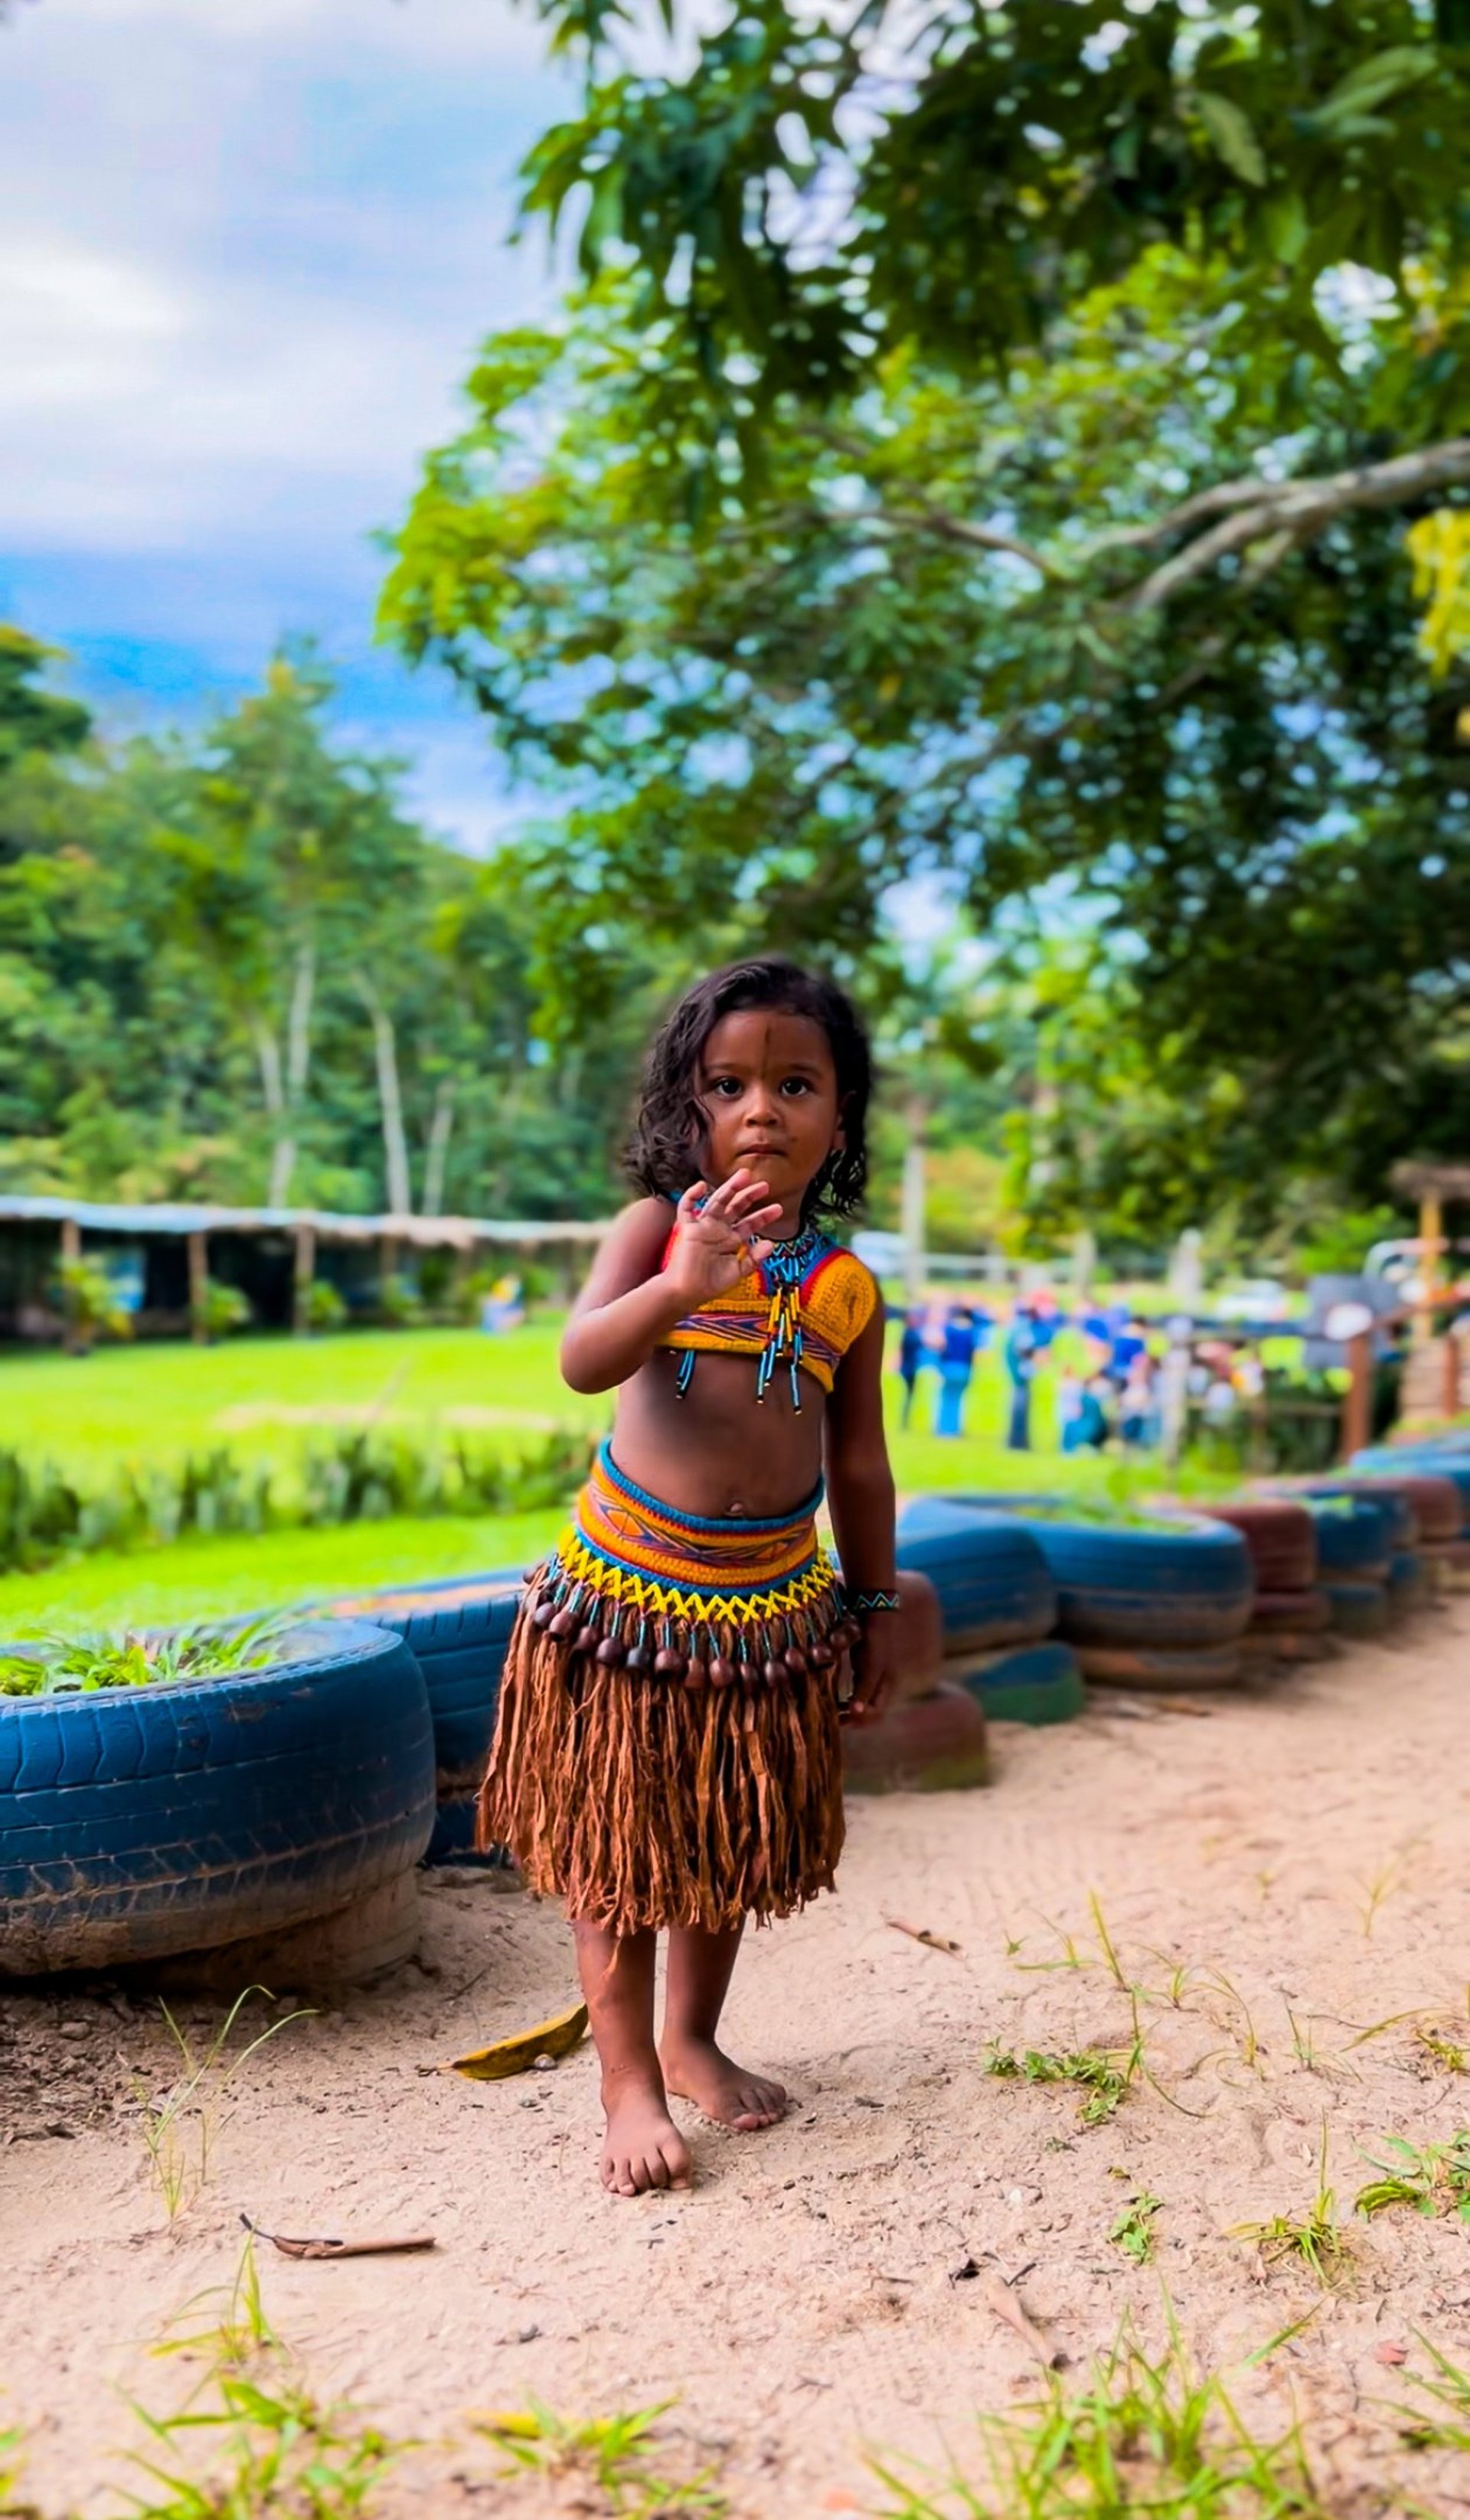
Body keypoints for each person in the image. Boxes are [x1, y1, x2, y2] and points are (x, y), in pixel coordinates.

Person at [478, 958, 900, 2198]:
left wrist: (875, 1604)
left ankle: (691, 2038)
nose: (762, 1108)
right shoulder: (653, 1231)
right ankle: (627, 2082)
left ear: (841, 1118)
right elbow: (580, 1359)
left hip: (766, 1612)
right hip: (627, 1604)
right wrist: (679, 1284)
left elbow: (861, 1463)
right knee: (620, 1849)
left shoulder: (845, 1289)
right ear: (687, 1105)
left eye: (796, 1084)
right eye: (729, 1084)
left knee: (721, 1838)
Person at [933, 1305, 977, 1437]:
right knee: (957, 1400)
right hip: (964, 1368)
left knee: (946, 1398)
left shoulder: (949, 1329)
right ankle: (953, 1429)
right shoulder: (972, 1331)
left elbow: (941, 1346)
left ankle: (943, 1428)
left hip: (948, 1366)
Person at [1003, 1300, 1037, 1450]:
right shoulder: (1023, 1329)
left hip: (1017, 1373)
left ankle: (1016, 1441)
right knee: (1020, 1407)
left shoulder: (1015, 1328)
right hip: (1021, 1375)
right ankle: (1018, 1442)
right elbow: (1025, 1350)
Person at [897, 1306, 928, 1428]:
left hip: (907, 1366)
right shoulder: (912, 1334)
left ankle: (905, 1419)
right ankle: (905, 1419)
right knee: (909, 1394)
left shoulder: (907, 1333)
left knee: (908, 1393)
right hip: (910, 1367)